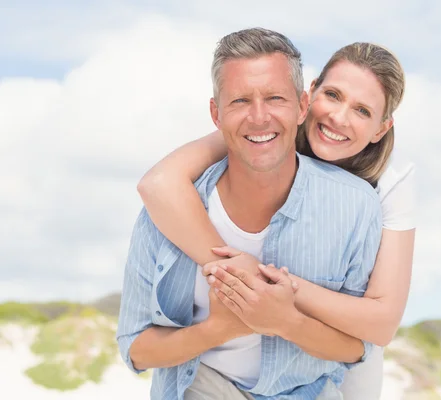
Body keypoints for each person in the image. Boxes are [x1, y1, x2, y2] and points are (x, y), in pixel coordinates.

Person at [137, 38, 416, 399]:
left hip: (344, 352)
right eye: (333, 95)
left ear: (381, 128)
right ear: (309, 94)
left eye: (362, 111)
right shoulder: (265, 130)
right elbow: (159, 184)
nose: (338, 117)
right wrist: (236, 275)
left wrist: (271, 291)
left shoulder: (390, 183)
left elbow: (381, 323)